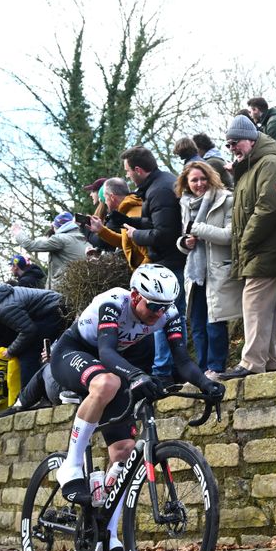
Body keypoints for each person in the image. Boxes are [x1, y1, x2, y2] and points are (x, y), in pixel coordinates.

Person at [50, 264, 224, 551]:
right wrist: (136, 375)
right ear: (134, 296)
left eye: (164, 307)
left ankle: (110, 539)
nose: (158, 314)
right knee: (106, 383)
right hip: (75, 352)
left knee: (124, 451)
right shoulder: (113, 303)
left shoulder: (168, 315)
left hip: (117, 365)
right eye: (152, 306)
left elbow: (182, 361)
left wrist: (206, 384)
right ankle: (71, 465)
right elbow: (105, 351)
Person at [221, 115, 276, 379]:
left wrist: (246, 241)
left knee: (254, 303)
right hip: (262, 245)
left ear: (250, 139)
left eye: (235, 143)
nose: (232, 148)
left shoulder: (270, 163)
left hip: (267, 245)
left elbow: (269, 207)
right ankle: (268, 360)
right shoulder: (253, 165)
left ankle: (251, 362)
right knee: (265, 306)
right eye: (228, 144)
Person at [121, 146, 187, 382]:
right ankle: (172, 368)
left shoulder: (158, 190)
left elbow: (164, 233)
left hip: (170, 262)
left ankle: (164, 371)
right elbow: (157, 219)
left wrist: (135, 235)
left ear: (138, 170)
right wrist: (132, 223)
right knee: (171, 316)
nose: (127, 175)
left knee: (163, 316)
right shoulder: (160, 184)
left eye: (128, 170)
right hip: (170, 260)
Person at [175, 161, 242, 379]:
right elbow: (184, 237)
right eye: (194, 180)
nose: (199, 183)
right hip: (195, 273)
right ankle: (202, 370)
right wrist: (184, 243)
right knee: (197, 326)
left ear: (211, 178)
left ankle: (216, 367)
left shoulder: (226, 199)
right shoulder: (185, 203)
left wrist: (196, 229)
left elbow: (229, 235)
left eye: (203, 179)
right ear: (186, 182)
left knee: (215, 322)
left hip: (217, 270)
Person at [12, 213, 88, 288]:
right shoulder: (83, 239)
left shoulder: (60, 239)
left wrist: (18, 233)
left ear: (56, 226)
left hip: (64, 289)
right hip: (79, 287)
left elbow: (30, 245)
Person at [87, 177, 147, 270]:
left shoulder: (132, 214)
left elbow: (150, 254)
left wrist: (139, 273)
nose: (105, 203)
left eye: (105, 198)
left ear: (112, 197)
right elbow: (125, 242)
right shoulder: (125, 211)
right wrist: (101, 230)